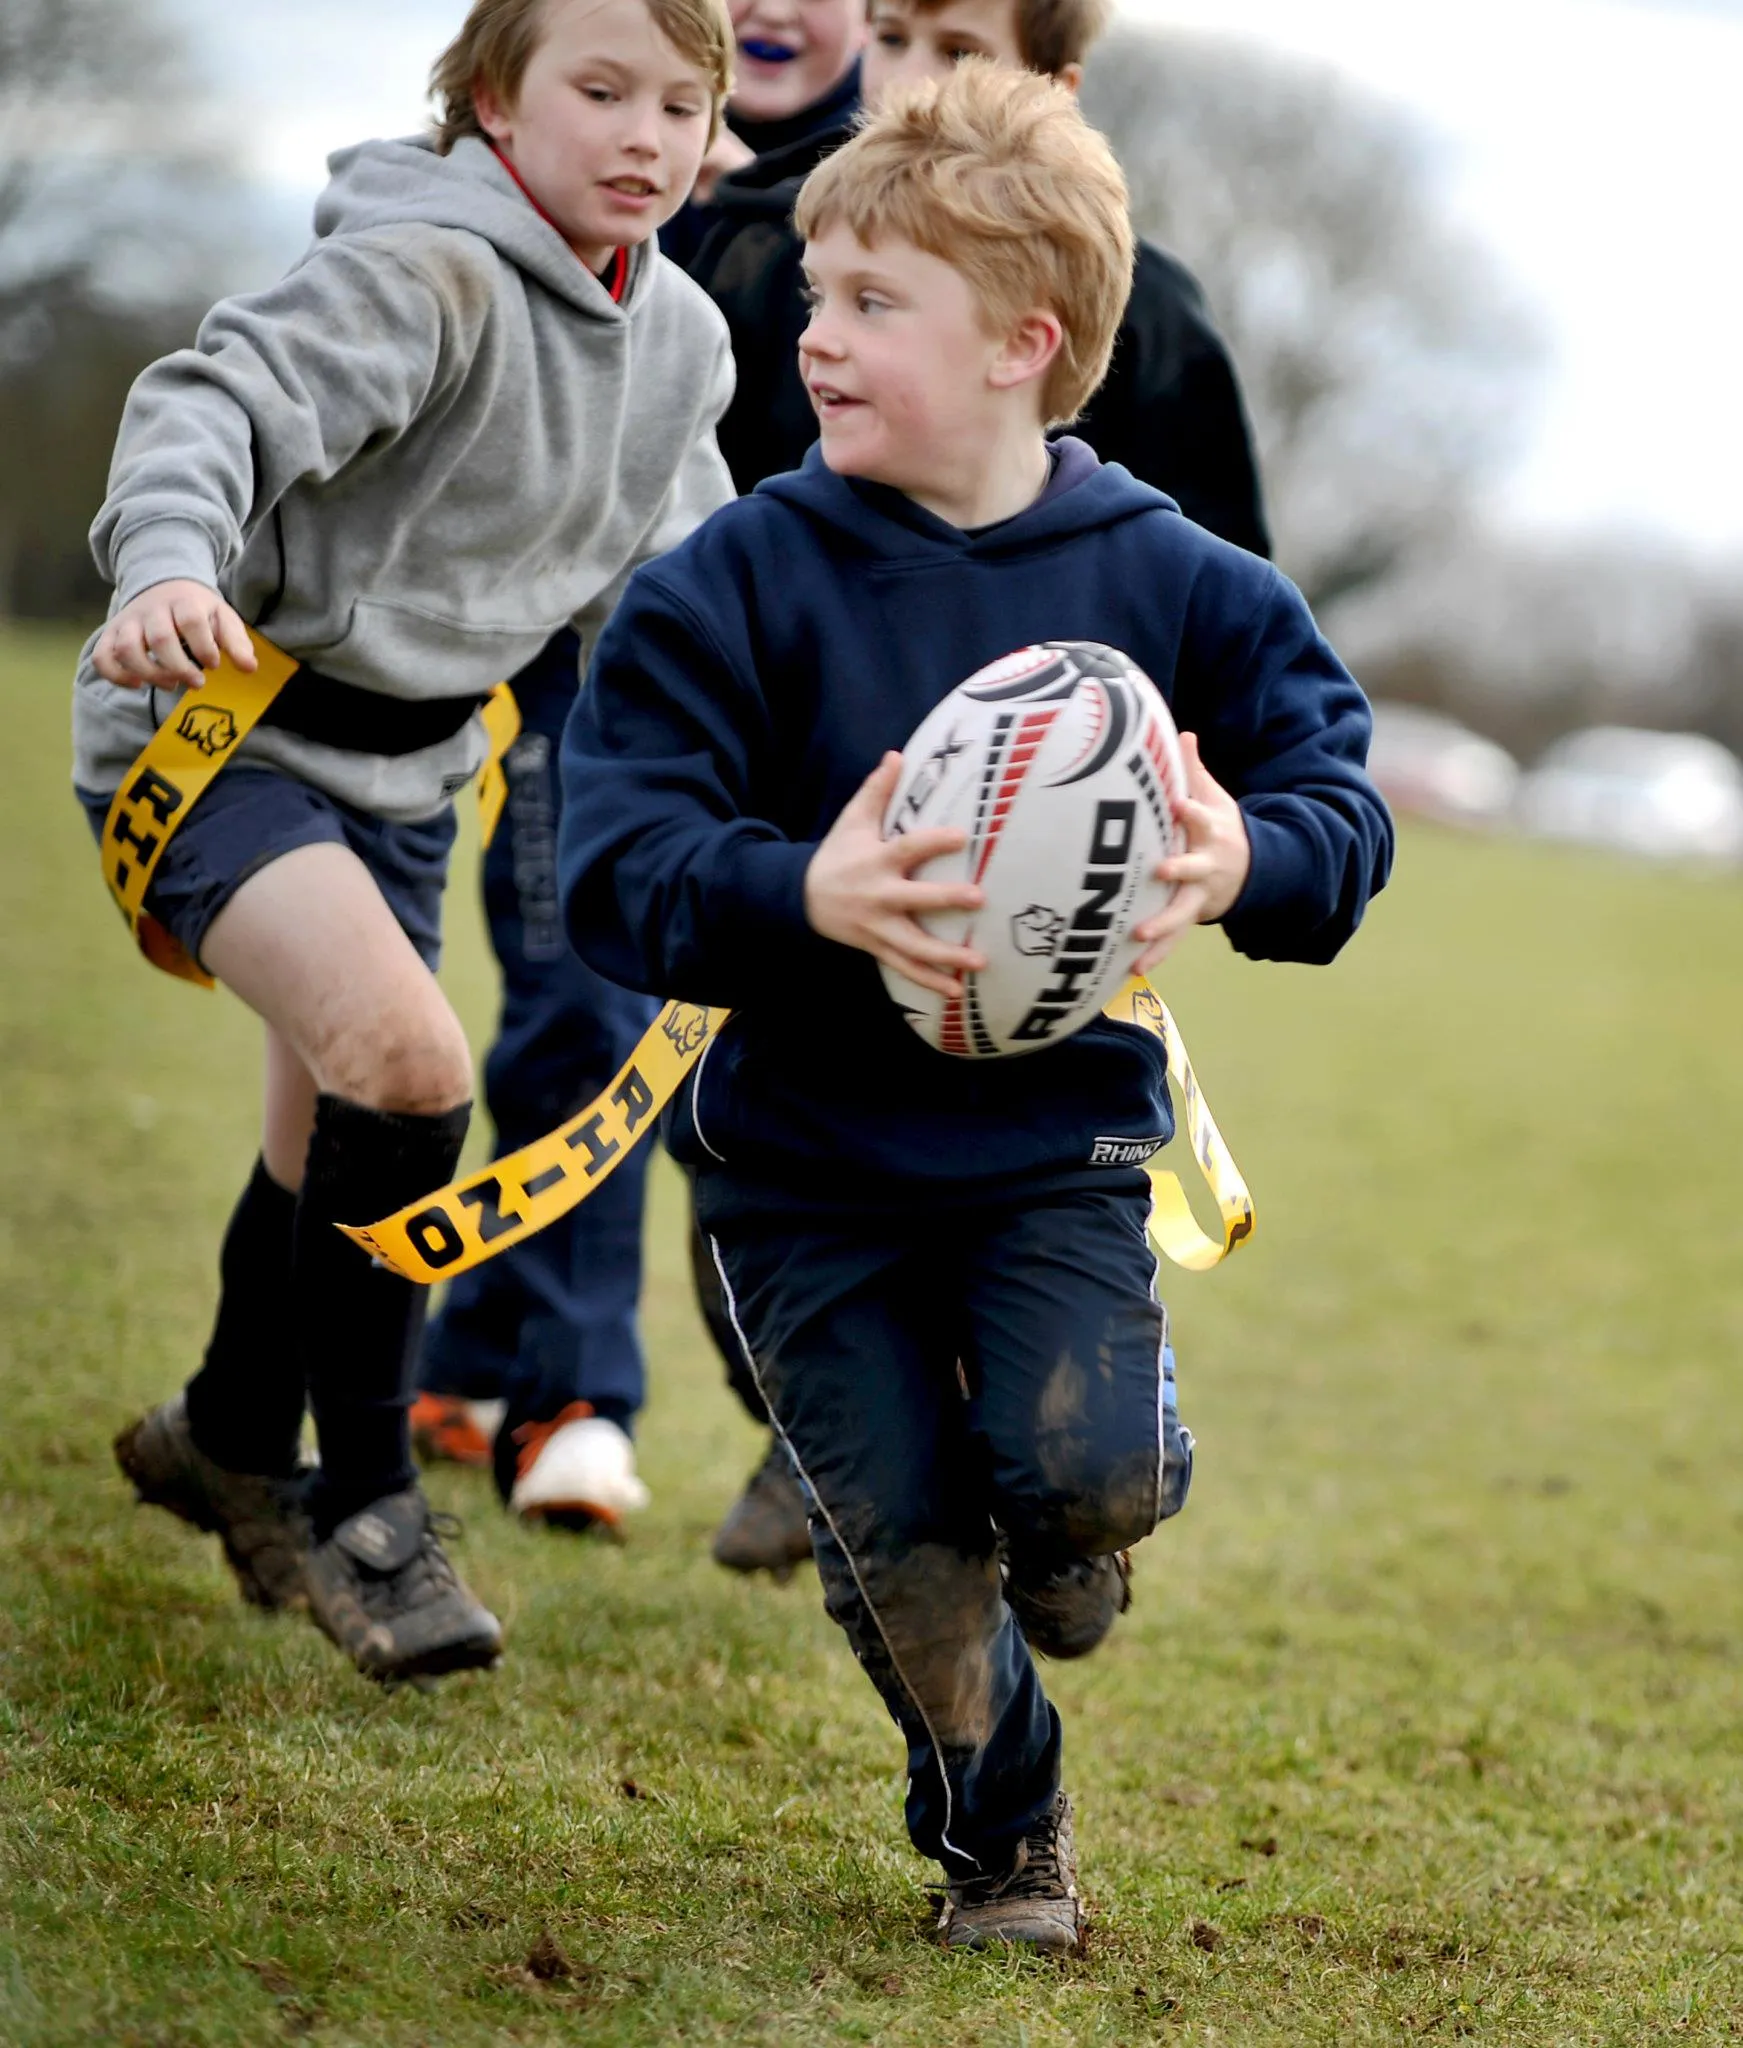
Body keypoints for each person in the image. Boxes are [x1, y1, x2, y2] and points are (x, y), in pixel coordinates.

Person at [556, 65, 1392, 1950]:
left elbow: (1338, 809)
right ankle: (1006, 1839)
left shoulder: (1180, 582)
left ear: (1026, 344)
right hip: (803, 1173)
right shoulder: (733, 584)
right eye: (813, 295)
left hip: (1050, 1147)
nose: (814, 337)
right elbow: (609, 864)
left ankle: (1091, 1500)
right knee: (906, 1547)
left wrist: (1239, 858)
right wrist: (802, 891)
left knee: (1077, 1476)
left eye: (870, 304)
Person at [75, 0, 737, 1684]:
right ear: (495, 95)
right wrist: (164, 560)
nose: (645, 133)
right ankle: (363, 1506)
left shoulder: (680, 342)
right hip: (213, 728)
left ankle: (228, 1427)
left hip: (408, 784)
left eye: (681, 98)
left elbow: (697, 598)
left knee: (333, 1149)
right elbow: (206, 404)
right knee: (409, 1063)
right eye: (601, 89)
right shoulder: (420, 274)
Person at [694, 0, 1271, 1580]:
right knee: (756, 1239)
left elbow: (1244, 677)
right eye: (891, 31)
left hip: (1043, 1025)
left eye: (960, 40)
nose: (914, 73)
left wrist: (1219, 837)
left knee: (1064, 1451)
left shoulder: (1155, 344)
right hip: (794, 985)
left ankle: (1040, 1489)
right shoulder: (765, 271)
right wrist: (766, 870)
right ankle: (836, 1441)